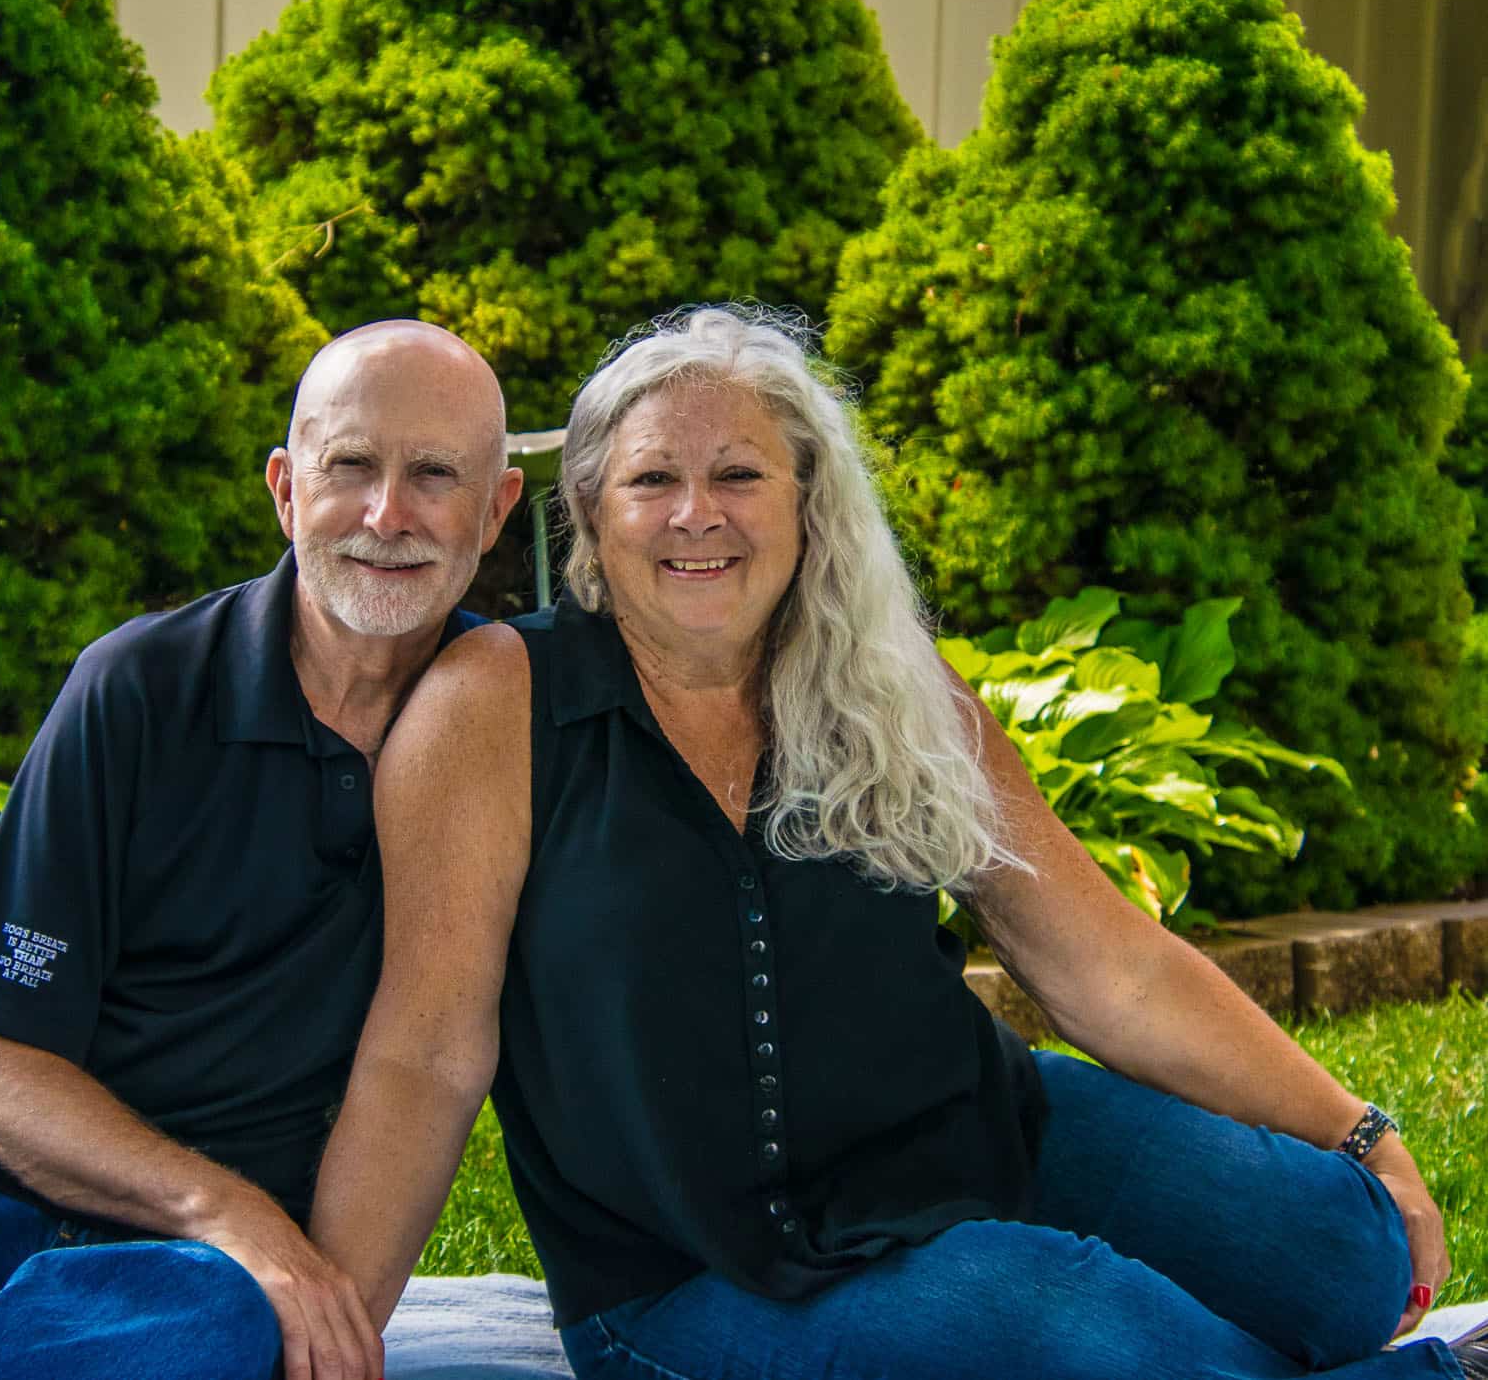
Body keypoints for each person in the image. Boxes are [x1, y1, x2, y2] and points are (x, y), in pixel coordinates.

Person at [309, 304, 1488, 1380]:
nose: (694, 513)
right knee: (1065, 1320)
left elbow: (1108, 968)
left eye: (738, 473)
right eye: (650, 477)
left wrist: (1360, 1130)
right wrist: (337, 1327)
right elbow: (426, 1052)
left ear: (806, 499)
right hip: (691, 1277)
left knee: (1346, 1253)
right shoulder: (495, 703)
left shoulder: (889, 687)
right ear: (587, 513)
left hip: (975, 1143)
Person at [0, 320, 523, 1380]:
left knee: (220, 1331)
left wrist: (270, 1262)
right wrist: (230, 1210)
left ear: (498, 507)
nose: (385, 514)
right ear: (284, 488)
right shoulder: (140, 684)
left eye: (434, 474)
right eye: (349, 465)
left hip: (173, 1269)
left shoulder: (504, 729)